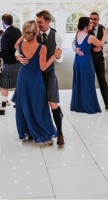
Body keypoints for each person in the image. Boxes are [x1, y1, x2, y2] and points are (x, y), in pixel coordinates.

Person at [13, 21, 61, 145]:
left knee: (25, 105)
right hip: (35, 79)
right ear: (37, 32)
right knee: (38, 106)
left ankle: (27, 131)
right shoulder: (41, 47)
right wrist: (54, 56)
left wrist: (24, 35)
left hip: (22, 78)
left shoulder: (21, 45)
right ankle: (42, 133)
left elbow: (15, 45)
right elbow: (43, 67)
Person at [22, 10, 66, 145]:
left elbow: (60, 58)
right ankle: (35, 130)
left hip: (49, 74)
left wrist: (58, 56)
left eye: (40, 22)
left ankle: (59, 133)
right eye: (36, 22)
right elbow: (20, 49)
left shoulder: (57, 37)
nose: (37, 24)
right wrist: (18, 56)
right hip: (35, 76)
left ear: (48, 22)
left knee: (53, 104)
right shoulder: (32, 34)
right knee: (37, 104)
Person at [74, 12, 108, 111]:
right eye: (91, 19)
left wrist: (101, 47)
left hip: (98, 59)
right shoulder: (83, 30)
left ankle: (107, 103)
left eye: (94, 19)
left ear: (98, 19)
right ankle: (86, 103)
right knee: (87, 82)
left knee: (102, 80)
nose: (92, 21)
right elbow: (74, 42)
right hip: (87, 60)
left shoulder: (103, 29)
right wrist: (75, 49)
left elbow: (107, 43)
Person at [0, 14, 22, 115]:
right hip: (18, 62)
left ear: (3, 22)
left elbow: (5, 51)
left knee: (4, 86)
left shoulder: (6, 34)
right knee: (18, 85)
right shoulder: (17, 31)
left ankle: (2, 108)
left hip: (9, 63)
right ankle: (20, 104)